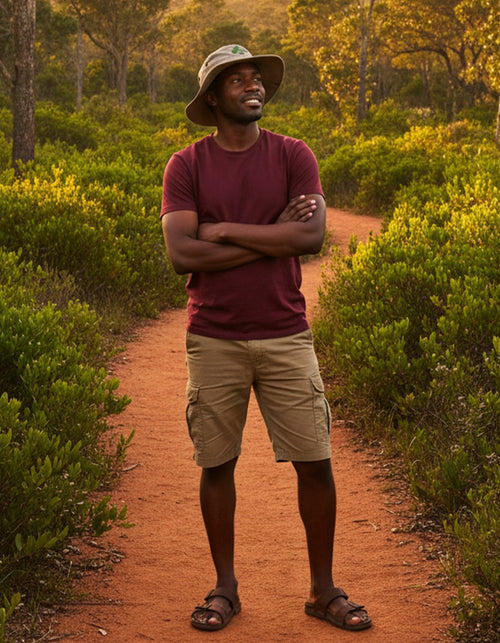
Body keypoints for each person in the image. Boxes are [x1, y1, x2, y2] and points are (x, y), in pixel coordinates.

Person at [160, 44, 371, 633]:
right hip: (214, 337)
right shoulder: (187, 165)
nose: (253, 85)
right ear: (212, 97)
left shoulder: (293, 155)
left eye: (257, 78)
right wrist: (270, 231)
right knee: (217, 463)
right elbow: (182, 253)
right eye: (238, 79)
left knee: (315, 462)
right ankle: (225, 587)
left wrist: (223, 229)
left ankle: (323, 589)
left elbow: (311, 239)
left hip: (286, 333)